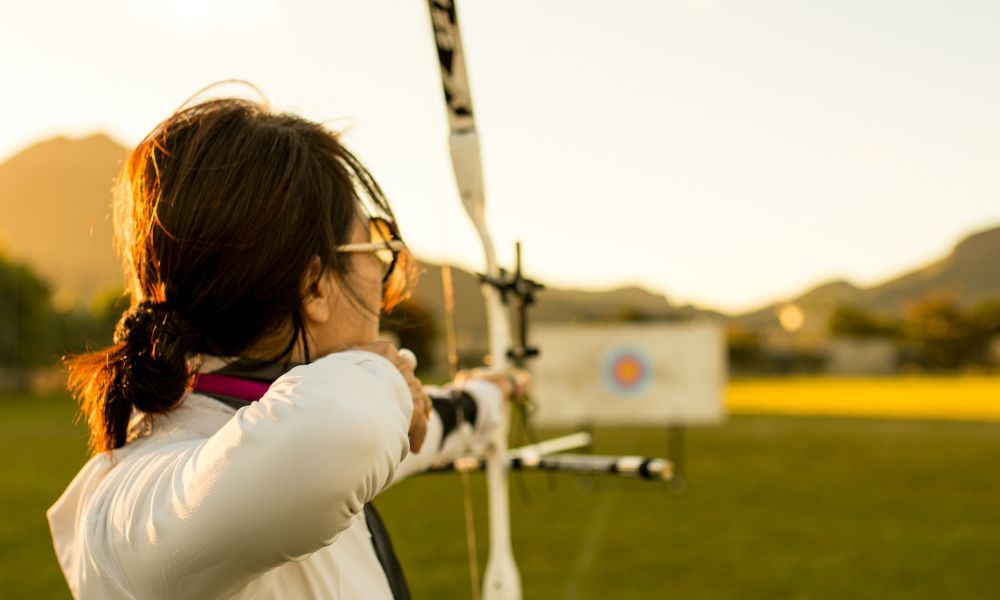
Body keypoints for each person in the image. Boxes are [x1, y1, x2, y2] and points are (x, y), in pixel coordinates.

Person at [47, 89, 525, 599]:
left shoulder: (285, 426)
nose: (381, 278)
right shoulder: (128, 509)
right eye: (375, 244)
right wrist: (385, 376)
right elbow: (347, 427)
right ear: (315, 286)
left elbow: (420, 430)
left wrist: (489, 396)